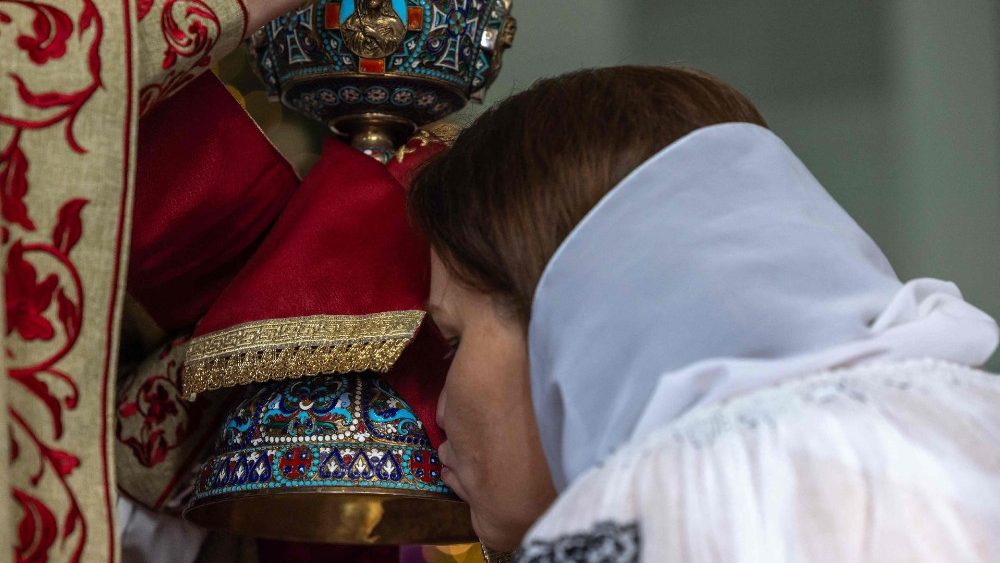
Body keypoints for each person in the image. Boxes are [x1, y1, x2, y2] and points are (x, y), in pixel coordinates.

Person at [409, 66, 1000, 560]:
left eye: (455, 340)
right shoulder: (967, 428)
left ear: (582, 322)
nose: (437, 409)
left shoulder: (660, 513)